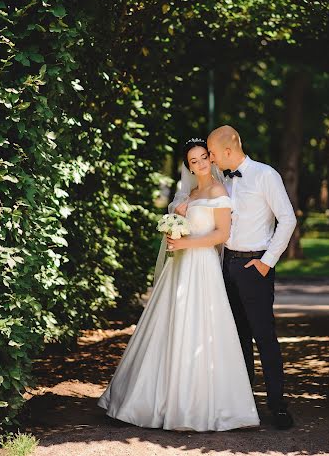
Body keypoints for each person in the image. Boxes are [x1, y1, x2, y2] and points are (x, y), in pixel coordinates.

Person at [97, 138, 260, 432]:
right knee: (168, 324)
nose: (199, 164)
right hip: (181, 266)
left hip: (203, 267)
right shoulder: (191, 193)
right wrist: (176, 231)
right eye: (193, 161)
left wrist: (186, 240)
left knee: (202, 328)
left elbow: (221, 235)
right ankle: (150, 399)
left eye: (202, 158)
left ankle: (198, 405)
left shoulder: (218, 190)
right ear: (188, 166)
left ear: (211, 159)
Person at [207, 126, 297, 430]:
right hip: (227, 266)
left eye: (215, 154)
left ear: (228, 151)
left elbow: (288, 219)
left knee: (264, 338)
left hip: (255, 268)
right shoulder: (222, 180)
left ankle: (278, 406)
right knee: (238, 339)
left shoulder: (265, 175)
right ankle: (243, 406)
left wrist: (266, 262)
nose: (213, 160)